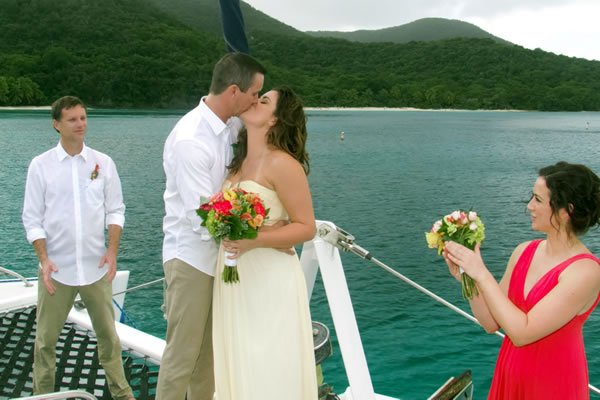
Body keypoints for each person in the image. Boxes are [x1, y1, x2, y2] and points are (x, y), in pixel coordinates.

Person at [157, 52, 266, 400]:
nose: (256, 101)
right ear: (234, 91)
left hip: (216, 259)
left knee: (208, 358)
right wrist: (254, 237)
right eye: (254, 93)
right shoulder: (191, 140)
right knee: (182, 357)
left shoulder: (231, 126)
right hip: (190, 259)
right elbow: (202, 217)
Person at [443, 161, 600, 399]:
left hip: (552, 386)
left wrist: (482, 273)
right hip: (510, 375)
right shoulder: (524, 251)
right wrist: (468, 278)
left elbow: (522, 332)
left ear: (566, 210)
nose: (529, 207)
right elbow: (490, 322)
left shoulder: (585, 272)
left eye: (537, 199)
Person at [22, 96, 133, 399]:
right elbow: (32, 219)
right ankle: (42, 396)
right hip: (56, 270)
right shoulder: (40, 166)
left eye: (83, 117)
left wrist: (112, 251)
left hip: (96, 267)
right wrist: (43, 259)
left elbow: (116, 210)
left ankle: (123, 395)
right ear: (57, 125)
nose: (80, 124)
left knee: (109, 338)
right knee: (45, 342)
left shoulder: (103, 163)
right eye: (72, 119)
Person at [213, 86, 318, 399]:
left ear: (275, 120)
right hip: (234, 279)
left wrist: (255, 239)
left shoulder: (283, 164)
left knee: (267, 362)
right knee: (238, 356)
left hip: (268, 279)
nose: (254, 101)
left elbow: (306, 228)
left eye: (264, 100)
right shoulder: (237, 162)